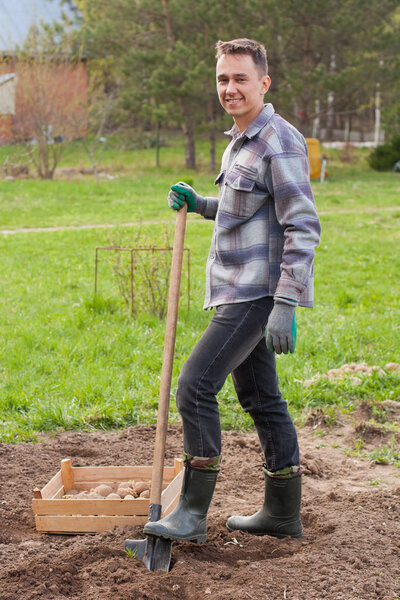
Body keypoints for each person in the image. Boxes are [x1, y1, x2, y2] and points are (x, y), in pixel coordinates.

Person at [144, 38, 321, 544]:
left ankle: (192, 514)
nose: (230, 88)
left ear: (264, 83)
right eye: (223, 78)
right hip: (234, 290)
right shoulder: (241, 140)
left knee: (195, 387)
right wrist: (202, 203)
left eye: (240, 78)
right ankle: (282, 514)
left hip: (256, 295)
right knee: (261, 397)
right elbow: (247, 209)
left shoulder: (279, 140)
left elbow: (303, 226)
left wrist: (286, 301)